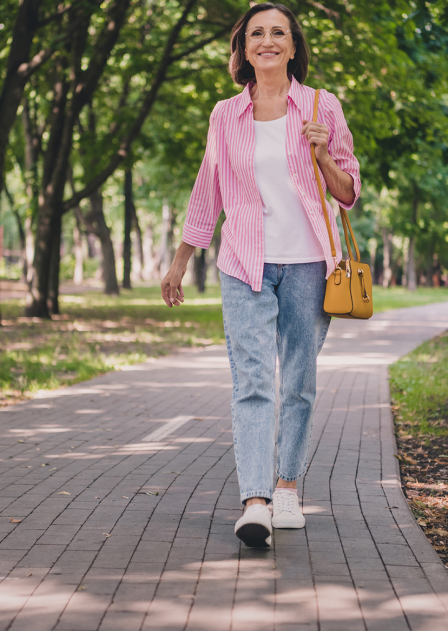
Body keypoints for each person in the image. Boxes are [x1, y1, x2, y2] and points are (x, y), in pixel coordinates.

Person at [161, 2, 360, 548]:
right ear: (244, 49)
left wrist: (322, 155)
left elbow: (347, 193)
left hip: (310, 266)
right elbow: (209, 188)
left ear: (293, 47)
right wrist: (182, 258)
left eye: (279, 33)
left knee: (297, 381)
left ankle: (288, 486)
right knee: (251, 381)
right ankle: (255, 501)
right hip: (244, 263)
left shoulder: (322, 105)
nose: (268, 41)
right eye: (257, 34)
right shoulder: (225, 114)